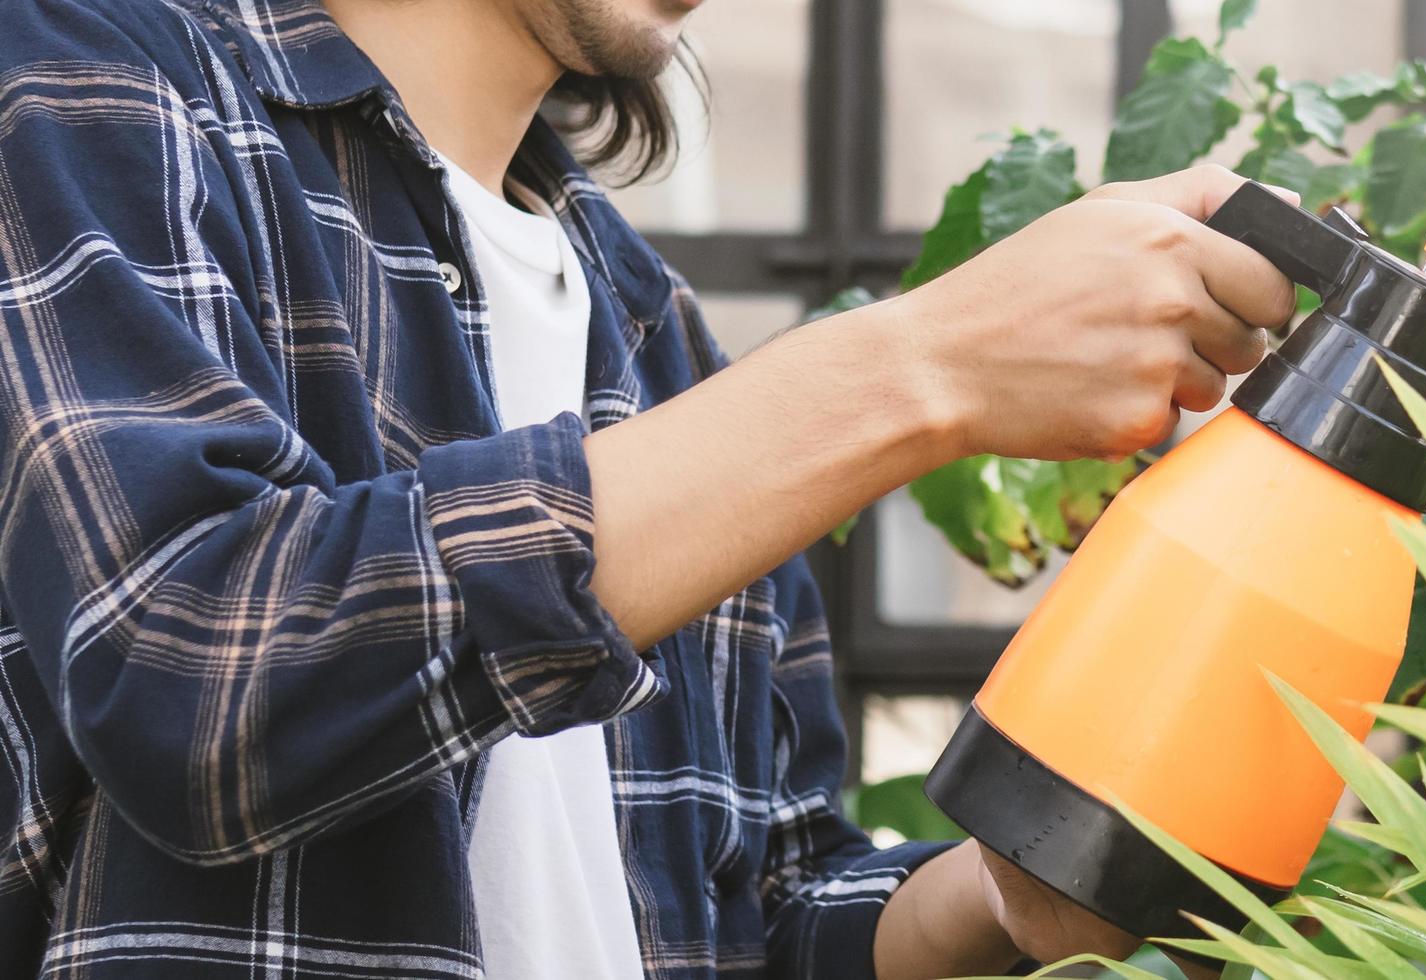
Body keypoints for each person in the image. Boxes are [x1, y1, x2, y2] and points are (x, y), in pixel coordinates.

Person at [0, 0, 1295, 976]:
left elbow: (765, 903)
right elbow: (188, 667)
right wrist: (913, 366)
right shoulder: (79, 81)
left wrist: (1004, 899)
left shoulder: (651, 332)